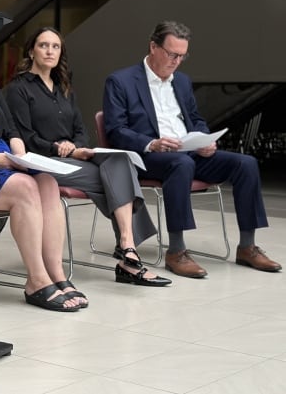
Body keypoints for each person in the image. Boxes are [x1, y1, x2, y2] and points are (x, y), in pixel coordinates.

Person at [104, 20, 281, 278]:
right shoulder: (120, 81)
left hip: (188, 152)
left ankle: (247, 247)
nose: (177, 61)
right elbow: (115, 130)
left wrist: (203, 139)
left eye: (182, 56)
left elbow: (195, 119)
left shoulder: (183, 82)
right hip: (148, 156)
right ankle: (176, 250)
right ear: (153, 47)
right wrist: (152, 143)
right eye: (171, 54)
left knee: (246, 163)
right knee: (181, 164)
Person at [6, 27, 170, 287]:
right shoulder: (18, 88)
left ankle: (127, 245)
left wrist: (77, 146)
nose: (50, 51)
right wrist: (59, 147)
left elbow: (81, 130)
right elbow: (25, 137)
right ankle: (128, 259)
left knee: (119, 162)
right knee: (118, 177)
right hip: (41, 162)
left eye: (55, 46)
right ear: (31, 51)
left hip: (73, 158)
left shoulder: (64, 87)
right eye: (43, 45)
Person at [0, 74, 88, 311]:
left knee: (48, 183)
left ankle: (56, 274)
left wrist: (19, 157)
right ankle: (36, 280)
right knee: (26, 186)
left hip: (4, 158)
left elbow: (11, 130)